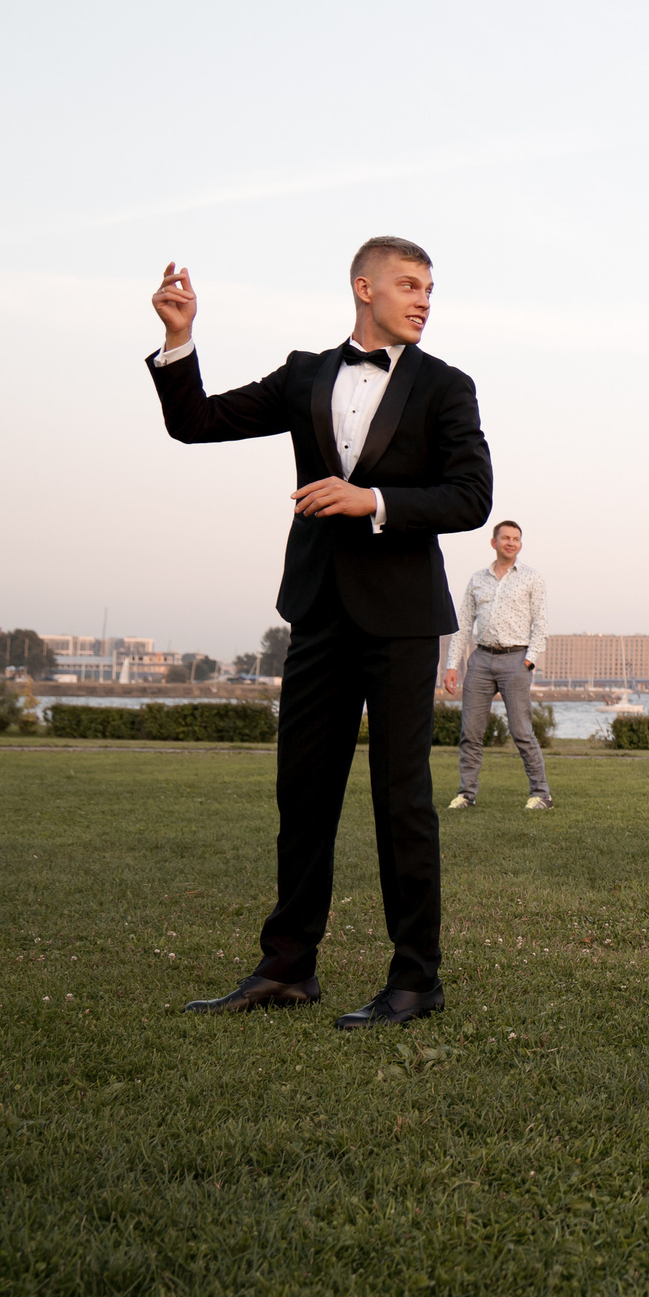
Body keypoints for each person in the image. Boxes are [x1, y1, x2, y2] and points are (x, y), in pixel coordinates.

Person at [148, 239, 492, 1030]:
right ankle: (287, 966)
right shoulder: (305, 373)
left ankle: (415, 980)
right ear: (363, 287)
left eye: (431, 288)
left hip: (404, 621)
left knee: (401, 799)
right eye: (409, 284)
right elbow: (195, 423)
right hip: (317, 613)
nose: (424, 299)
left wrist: (370, 500)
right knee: (302, 795)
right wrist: (179, 340)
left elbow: (471, 496)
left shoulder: (446, 386)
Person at [443, 519, 553, 812]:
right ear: (494, 543)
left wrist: (529, 660)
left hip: (516, 660)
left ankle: (541, 794)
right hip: (480, 660)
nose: (511, 543)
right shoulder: (477, 579)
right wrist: (452, 665)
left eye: (516, 539)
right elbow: (463, 624)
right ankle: (466, 795)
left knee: (521, 731)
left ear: (520, 544)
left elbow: (540, 624)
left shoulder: (532, 578)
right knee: (471, 732)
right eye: (505, 538)